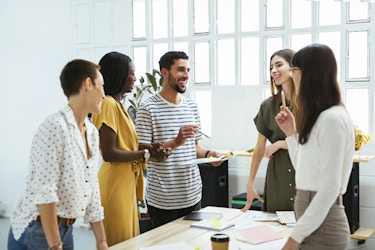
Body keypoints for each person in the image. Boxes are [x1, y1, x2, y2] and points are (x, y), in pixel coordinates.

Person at [7, 59, 108, 250]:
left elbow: (92, 188)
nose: (104, 95)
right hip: (37, 229)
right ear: (88, 84)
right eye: (101, 86)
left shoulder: (92, 132)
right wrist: (55, 246)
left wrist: (101, 241)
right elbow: (45, 192)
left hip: (65, 229)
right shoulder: (54, 127)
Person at [275, 44, 355, 250]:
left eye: (294, 71)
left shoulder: (332, 119)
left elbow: (329, 189)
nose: (292, 76)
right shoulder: (322, 117)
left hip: (323, 230)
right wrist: (291, 134)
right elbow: (304, 172)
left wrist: (294, 239)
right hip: (311, 225)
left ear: (309, 73)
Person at [91, 52, 171, 246]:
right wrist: (146, 154)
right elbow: (109, 153)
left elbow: (125, 144)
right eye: (132, 73)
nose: (135, 78)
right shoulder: (109, 103)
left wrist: (150, 148)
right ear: (119, 74)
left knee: (128, 242)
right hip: (114, 184)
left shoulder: (119, 105)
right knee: (118, 243)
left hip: (124, 182)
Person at [136, 51, 222, 228]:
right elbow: (142, 154)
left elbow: (195, 147)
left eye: (188, 70)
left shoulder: (192, 106)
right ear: (164, 72)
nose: (186, 75)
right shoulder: (148, 108)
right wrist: (176, 142)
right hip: (163, 200)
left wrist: (208, 154)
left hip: (192, 195)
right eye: (181, 70)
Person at [242, 49, 297, 212]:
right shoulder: (267, 106)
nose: (273, 71)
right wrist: (250, 183)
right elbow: (259, 148)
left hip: (302, 169)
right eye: (271, 67)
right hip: (277, 175)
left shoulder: (309, 102)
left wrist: (280, 143)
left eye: (279, 65)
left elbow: (311, 140)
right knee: (275, 224)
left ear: (293, 68)